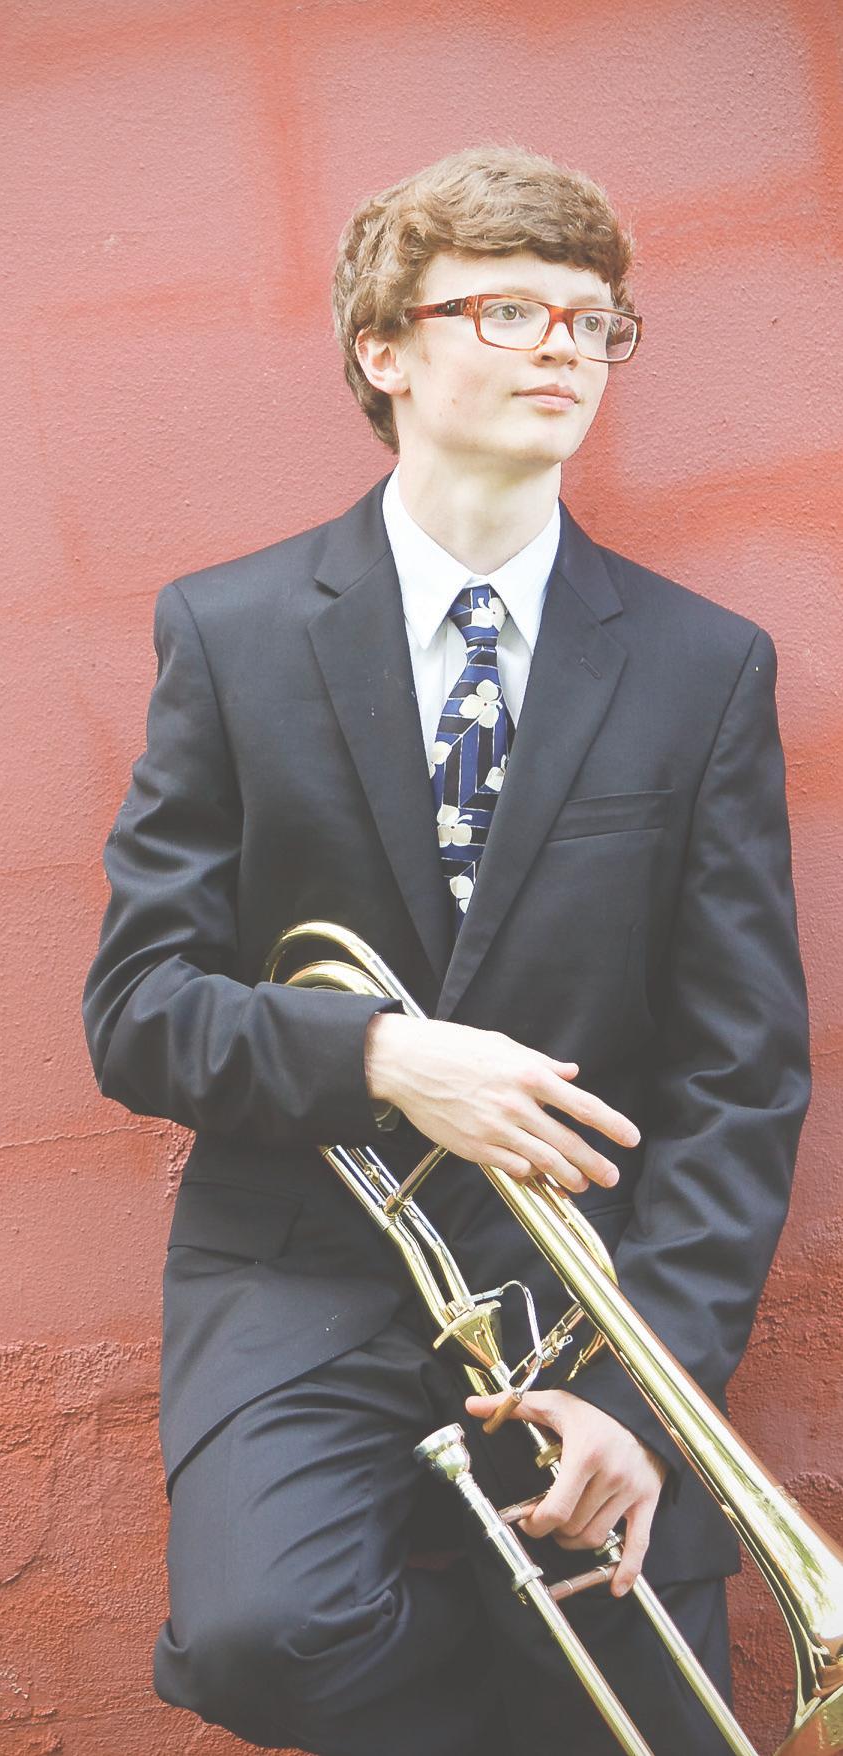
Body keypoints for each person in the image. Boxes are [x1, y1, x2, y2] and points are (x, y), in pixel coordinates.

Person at [80, 143, 811, 1756]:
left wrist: (646, 1398)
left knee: (653, 1715)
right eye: (510, 311)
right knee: (264, 1643)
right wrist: (385, 1057)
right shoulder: (231, 634)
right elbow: (136, 1010)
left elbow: (743, 1073)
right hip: (302, 1266)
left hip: (593, 1290)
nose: (567, 348)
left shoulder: (702, 666)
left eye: (594, 321)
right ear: (384, 350)